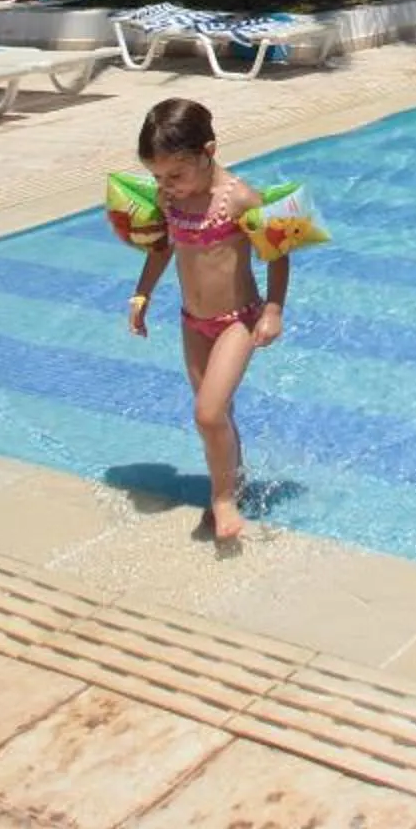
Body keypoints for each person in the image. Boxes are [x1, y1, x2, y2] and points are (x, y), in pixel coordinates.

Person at [123, 97, 292, 545]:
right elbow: (161, 248)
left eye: (175, 174)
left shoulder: (238, 198)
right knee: (218, 416)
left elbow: (277, 251)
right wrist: (143, 294)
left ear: (209, 151)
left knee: (207, 413)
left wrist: (273, 309)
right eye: (157, 177)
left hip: (237, 320)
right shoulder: (170, 199)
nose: (167, 186)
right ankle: (232, 479)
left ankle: (222, 498)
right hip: (191, 322)